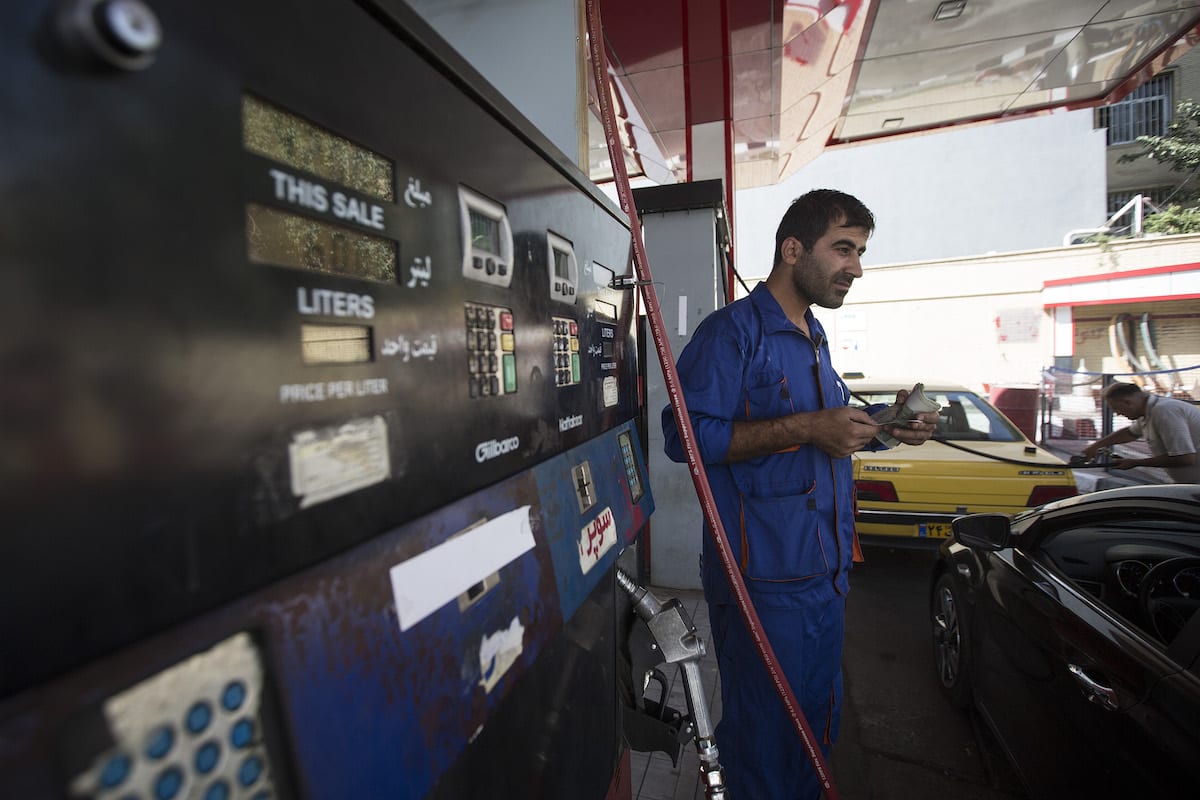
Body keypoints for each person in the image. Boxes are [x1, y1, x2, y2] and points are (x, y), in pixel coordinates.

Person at [661, 189, 937, 799]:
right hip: (762, 582)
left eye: (860, 252)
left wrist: (887, 427)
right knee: (765, 735)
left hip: (826, 576)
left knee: (814, 728)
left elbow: (828, 429)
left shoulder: (813, 336)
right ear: (792, 249)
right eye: (843, 249)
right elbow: (684, 437)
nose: (856, 268)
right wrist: (810, 427)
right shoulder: (730, 334)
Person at [1082, 381, 1200, 483]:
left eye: (1116, 408)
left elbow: (1185, 458)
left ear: (1128, 402)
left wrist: (1136, 462)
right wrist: (1096, 446)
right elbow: (1130, 433)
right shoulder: (1147, 412)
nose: (1117, 413)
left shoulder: (1164, 411)